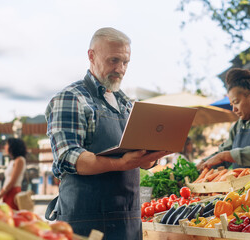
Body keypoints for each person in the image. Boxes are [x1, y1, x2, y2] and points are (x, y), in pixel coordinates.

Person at [45, 27, 170, 240]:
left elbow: (140, 159)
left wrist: (152, 155)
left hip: (128, 223)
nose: (120, 69)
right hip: (85, 225)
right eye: (113, 60)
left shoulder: (127, 104)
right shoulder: (70, 98)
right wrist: (121, 163)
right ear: (91, 56)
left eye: (125, 62)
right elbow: (70, 157)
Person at [0, 138, 27, 210]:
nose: (5, 146)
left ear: (13, 147)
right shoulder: (13, 161)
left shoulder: (20, 160)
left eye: (7, 144)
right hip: (8, 191)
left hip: (13, 192)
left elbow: (12, 181)